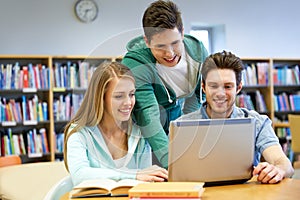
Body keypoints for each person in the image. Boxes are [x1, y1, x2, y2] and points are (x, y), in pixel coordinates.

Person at [179, 50, 294, 184]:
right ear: (204, 87)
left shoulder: (258, 122)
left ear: (238, 87)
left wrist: (278, 170)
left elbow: (283, 164)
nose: (220, 94)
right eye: (213, 86)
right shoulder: (182, 125)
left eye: (227, 86)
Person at [121, 0, 208, 168]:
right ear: (147, 41)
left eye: (175, 43)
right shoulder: (136, 63)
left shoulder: (198, 52)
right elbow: (148, 115)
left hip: (177, 121)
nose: (169, 53)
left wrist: (183, 132)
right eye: (160, 46)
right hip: (145, 137)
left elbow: (198, 95)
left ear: (182, 33)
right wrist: (173, 164)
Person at [63, 62, 168, 186]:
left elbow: (145, 181)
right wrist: (134, 175)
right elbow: (80, 176)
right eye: (119, 96)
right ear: (100, 98)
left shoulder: (139, 132)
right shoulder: (79, 132)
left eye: (131, 94)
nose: (128, 102)